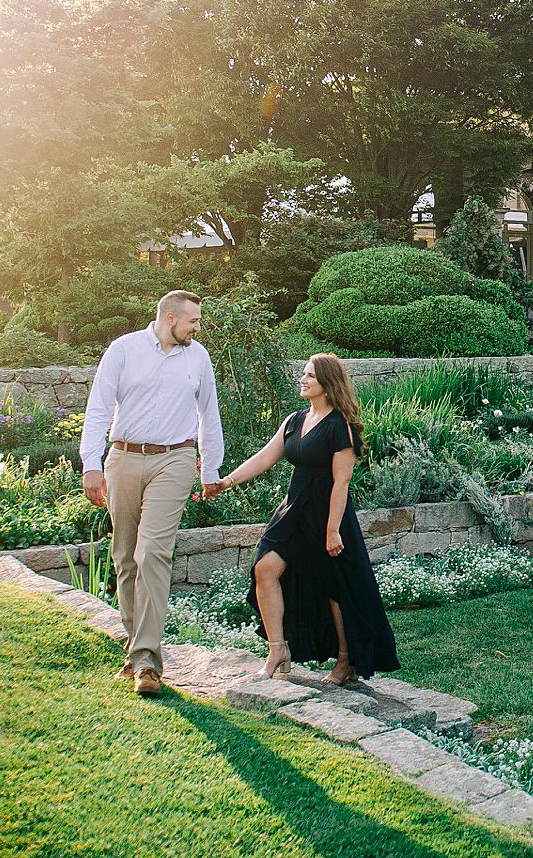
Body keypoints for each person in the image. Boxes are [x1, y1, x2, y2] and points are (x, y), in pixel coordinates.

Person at [218, 352, 398, 684]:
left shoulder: (339, 427)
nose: (302, 379)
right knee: (265, 569)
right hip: (293, 511)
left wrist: (332, 531)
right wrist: (227, 481)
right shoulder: (294, 421)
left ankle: (346, 662)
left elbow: (341, 482)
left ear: (327, 384)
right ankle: (277, 651)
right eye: (304, 374)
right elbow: (265, 458)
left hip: (328, 516)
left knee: (335, 589)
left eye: (310, 376)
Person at [79, 289, 224, 698]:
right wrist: (91, 463)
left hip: (175, 460)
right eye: (193, 321)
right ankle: (135, 650)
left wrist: (209, 468)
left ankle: (147, 661)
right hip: (123, 459)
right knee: (125, 556)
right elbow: (99, 407)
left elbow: (208, 413)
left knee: (152, 553)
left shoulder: (198, 357)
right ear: (171, 318)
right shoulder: (123, 350)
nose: (198, 328)